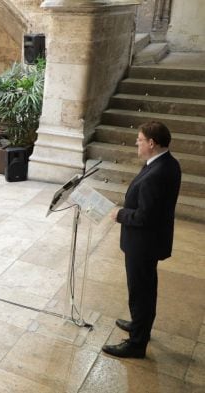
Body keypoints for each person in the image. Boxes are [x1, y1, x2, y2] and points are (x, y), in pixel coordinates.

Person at [102, 121, 182, 359]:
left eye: (139, 139)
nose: (136, 143)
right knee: (145, 288)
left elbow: (145, 216)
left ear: (151, 143)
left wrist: (120, 214)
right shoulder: (167, 163)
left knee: (141, 291)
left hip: (144, 243)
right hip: (150, 241)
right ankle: (140, 324)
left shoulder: (156, 174)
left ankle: (137, 343)